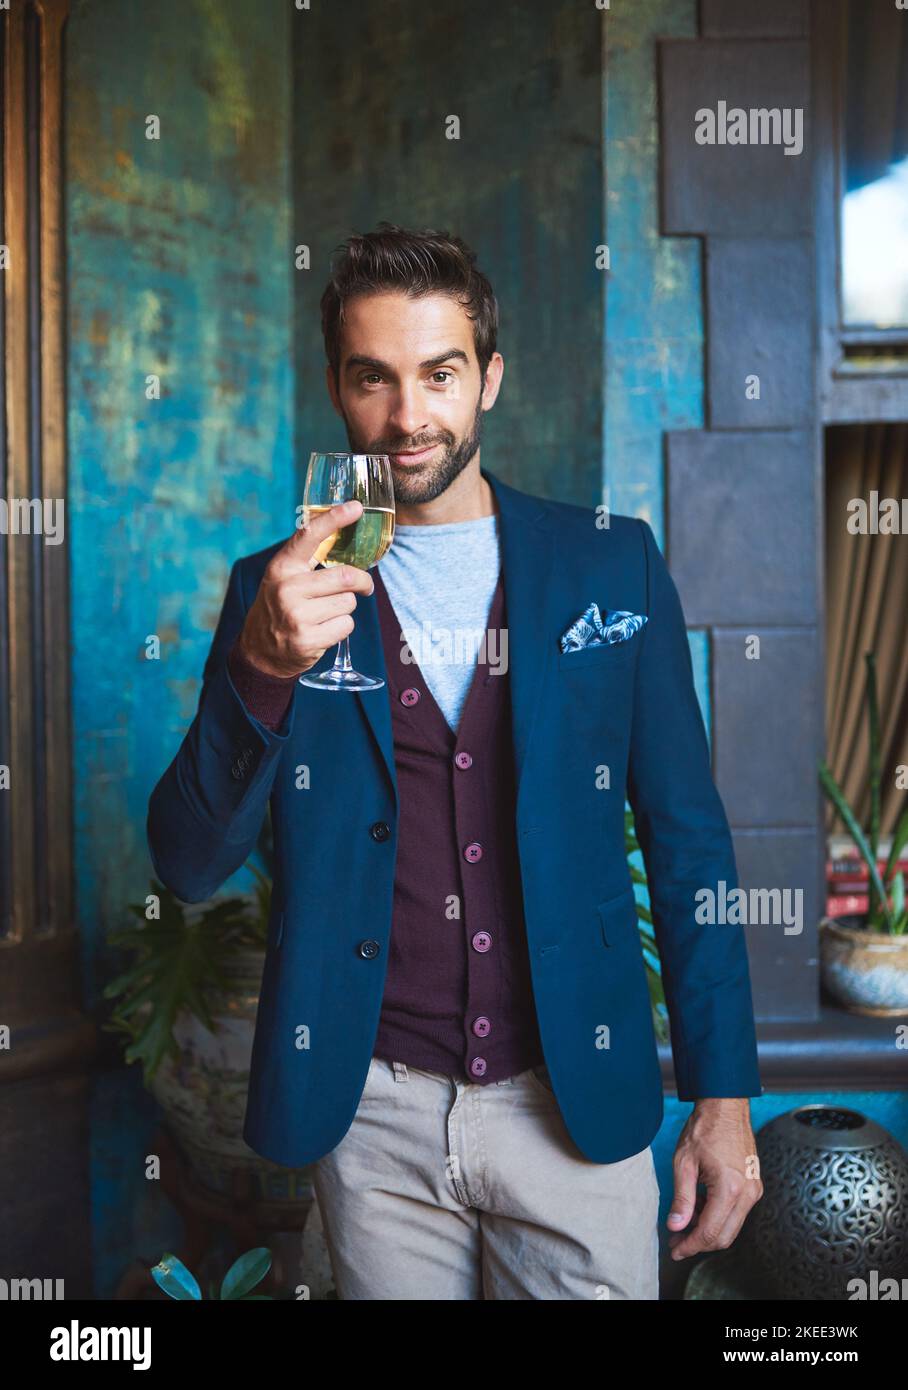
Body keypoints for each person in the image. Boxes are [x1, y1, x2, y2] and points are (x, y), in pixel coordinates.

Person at [147, 223, 763, 1300]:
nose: (406, 417)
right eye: (371, 378)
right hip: (370, 1115)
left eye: (437, 373)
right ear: (337, 387)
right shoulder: (272, 588)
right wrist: (260, 667)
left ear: (488, 377)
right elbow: (190, 862)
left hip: (571, 1106)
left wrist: (722, 1100)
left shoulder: (610, 563)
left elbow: (687, 842)